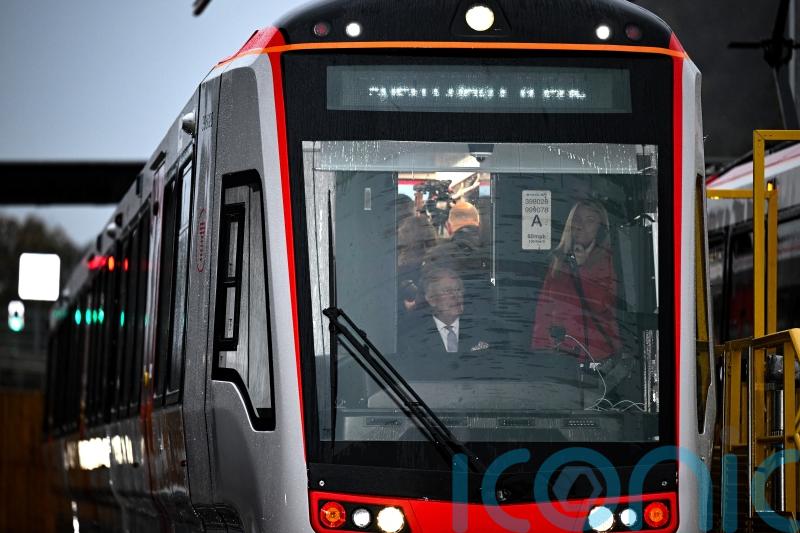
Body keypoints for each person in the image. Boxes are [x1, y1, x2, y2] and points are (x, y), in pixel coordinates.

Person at [531, 200, 620, 360]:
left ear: (600, 229)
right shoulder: (558, 260)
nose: (581, 225)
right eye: (577, 220)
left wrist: (581, 268)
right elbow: (543, 310)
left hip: (595, 356)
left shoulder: (609, 260)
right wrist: (541, 351)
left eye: (590, 221)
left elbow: (601, 305)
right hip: (560, 353)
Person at [398, 267, 491, 356]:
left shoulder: (484, 329)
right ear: (431, 299)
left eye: (458, 290)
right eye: (447, 291)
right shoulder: (413, 337)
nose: (455, 296)